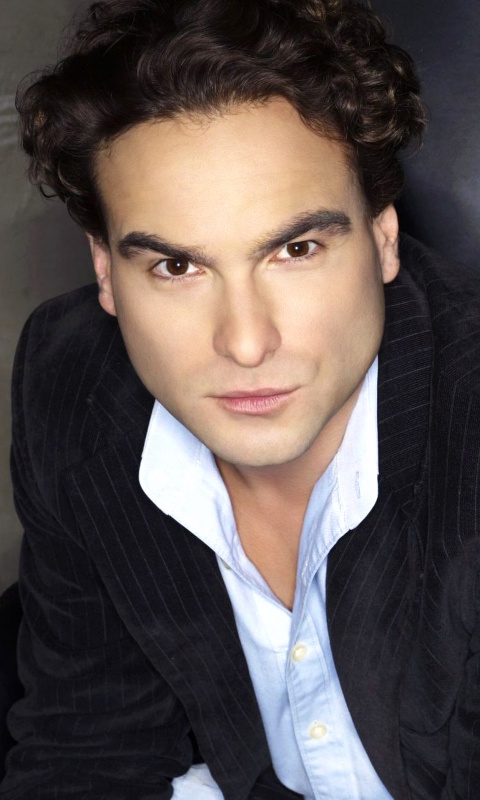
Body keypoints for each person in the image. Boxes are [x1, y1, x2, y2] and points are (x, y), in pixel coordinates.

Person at [2, 0, 480, 797]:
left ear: (383, 238)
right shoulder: (72, 378)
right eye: (177, 267)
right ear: (105, 273)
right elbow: (87, 746)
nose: (247, 342)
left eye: (296, 249)